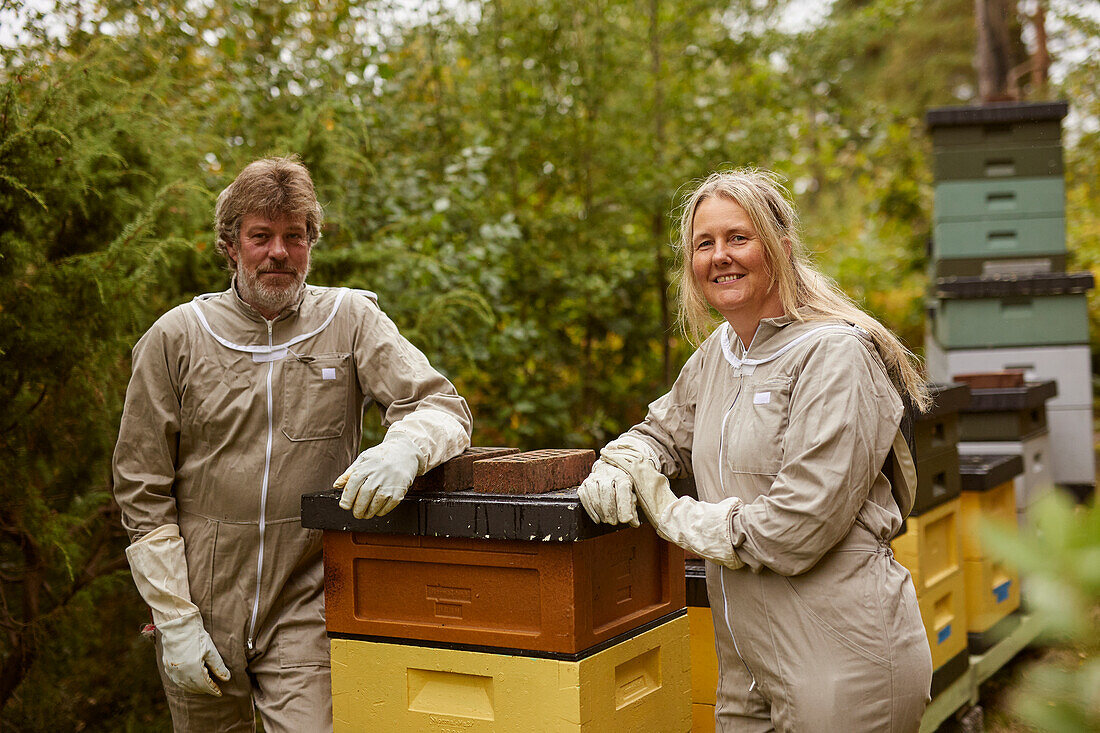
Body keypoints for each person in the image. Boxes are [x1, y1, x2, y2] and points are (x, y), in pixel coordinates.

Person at [112, 156, 471, 732]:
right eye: (261, 236)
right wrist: (174, 617)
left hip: (305, 596)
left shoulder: (349, 319)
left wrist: (403, 449)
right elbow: (140, 487)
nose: (278, 252)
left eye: (294, 236)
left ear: (310, 243)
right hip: (198, 602)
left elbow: (439, 406)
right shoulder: (175, 337)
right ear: (231, 245)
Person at [578, 168, 933, 732]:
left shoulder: (835, 354)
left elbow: (797, 527)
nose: (720, 256)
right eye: (705, 243)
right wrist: (621, 463)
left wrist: (670, 514)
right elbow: (660, 432)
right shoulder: (720, 354)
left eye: (738, 238)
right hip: (745, 664)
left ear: (781, 249)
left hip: (842, 661)